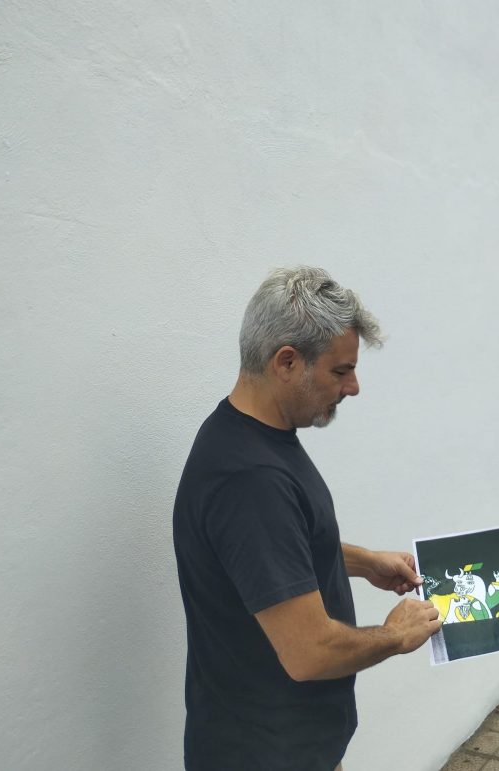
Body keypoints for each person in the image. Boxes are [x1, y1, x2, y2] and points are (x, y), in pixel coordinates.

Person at [173, 266, 441, 771]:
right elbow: (310, 652)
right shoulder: (249, 478)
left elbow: (268, 552)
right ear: (287, 362)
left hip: (289, 745)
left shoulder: (250, 438)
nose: (354, 387)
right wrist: (395, 635)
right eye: (341, 370)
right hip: (263, 754)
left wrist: (362, 563)